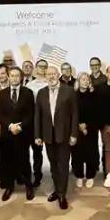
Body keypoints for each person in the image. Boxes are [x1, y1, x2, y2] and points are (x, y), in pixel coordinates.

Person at [35, 66, 78, 210]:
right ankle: (57, 189)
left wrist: (74, 134)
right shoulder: (41, 93)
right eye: (48, 74)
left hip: (64, 135)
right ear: (45, 76)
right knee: (53, 165)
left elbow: (75, 114)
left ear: (58, 74)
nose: (51, 76)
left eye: (53, 73)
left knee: (63, 165)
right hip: (48, 135)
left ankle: (62, 195)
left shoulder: (69, 91)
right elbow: (38, 115)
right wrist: (37, 135)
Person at [0, 67, 35, 201]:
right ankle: (9, 187)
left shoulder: (28, 93)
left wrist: (20, 126)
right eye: (12, 75)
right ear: (8, 77)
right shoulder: (2, 94)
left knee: (24, 160)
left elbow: (31, 113)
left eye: (17, 75)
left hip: (23, 133)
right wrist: (10, 126)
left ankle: (29, 186)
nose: (14, 78)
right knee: (8, 161)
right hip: (7, 133)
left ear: (21, 77)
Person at [72, 72, 99, 188]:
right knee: (77, 154)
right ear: (78, 81)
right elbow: (70, 113)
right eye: (83, 79)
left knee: (91, 153)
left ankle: (90, 176)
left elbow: (97, 114)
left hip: (91, 130)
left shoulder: (94, 95)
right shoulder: (73, 95)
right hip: (76, 129)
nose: (85, 81)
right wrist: (79, 126)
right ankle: (79, 176)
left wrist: (87, 126)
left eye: (87, 79)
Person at [26, 62, 49, 187]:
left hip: (48, 121)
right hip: (33, 121)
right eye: (40, 66)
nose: (42, 69)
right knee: (36, 150)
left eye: (45, 67)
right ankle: (37, 175)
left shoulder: (50, 82)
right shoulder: (30, 85)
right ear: (36, 68)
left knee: (51, 150)